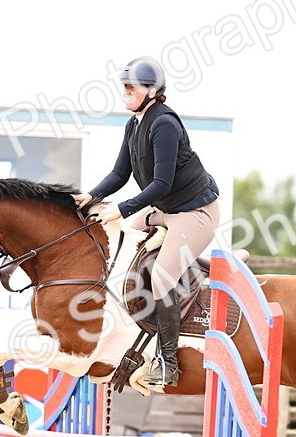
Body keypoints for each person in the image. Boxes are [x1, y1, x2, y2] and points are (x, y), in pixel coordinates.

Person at [74, 57, 221, 390]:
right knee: (116, 237)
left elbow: (162, 184)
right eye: (124, 85)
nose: (126, 90)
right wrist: (92, 196)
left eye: (132, 86)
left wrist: (122, 208)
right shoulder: (134, 124)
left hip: (194, 213)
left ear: (152, 91)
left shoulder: (164, 124)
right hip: (164, 209)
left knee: (161, 279)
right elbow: (119, 174)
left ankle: (168, 364)